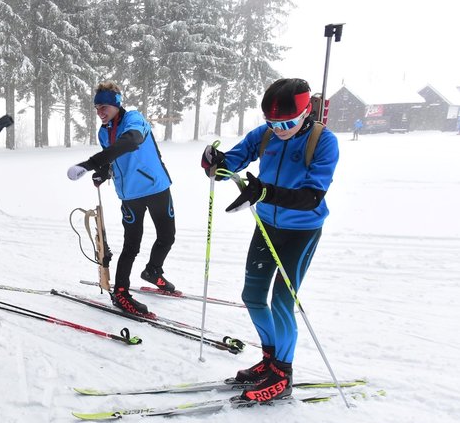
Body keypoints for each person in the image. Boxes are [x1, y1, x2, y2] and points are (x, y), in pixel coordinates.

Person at [200, 78, 339, 403]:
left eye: (287, 123)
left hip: (302, 229)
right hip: (267, 225)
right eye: (272, 123)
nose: (279, 130)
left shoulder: (323, 141)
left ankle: (283, 374)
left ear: (306, 112)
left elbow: (312, 196)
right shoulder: (264, 136)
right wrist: (216, 164)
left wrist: (265, 192)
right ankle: (269, 359)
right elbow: (233, 162)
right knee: (252, 295)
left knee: (280, 301)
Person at [66, 81, 176, 317]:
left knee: (167, 237)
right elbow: (114, 158)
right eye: (96, 108)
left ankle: (153, 271)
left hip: (156, 187)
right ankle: (121, 293)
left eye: (104, 106)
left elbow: (131, 142)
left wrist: (90, 164)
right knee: (131, 245)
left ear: (116, 105)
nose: (100, 112)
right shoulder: (103, 132)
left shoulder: (135, 119)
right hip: (129, 195)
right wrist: (102, 172)